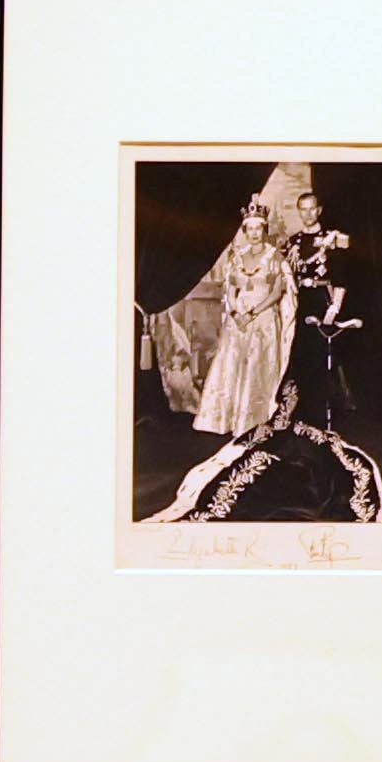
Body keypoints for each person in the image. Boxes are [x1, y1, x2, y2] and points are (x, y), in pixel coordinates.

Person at [144, 161, 318, 521]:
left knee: (256, 368)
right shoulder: (238, 255)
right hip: (239, 320)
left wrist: (255, 312)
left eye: (258, 229)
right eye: (249, 229)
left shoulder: (273, 255)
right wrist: (237, 311)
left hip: (263, 319)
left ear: (264, 229)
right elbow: (231, 288)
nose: (254, 234)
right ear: (245, 229)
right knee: (232, 367)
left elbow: (276, 290)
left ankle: (252, 419)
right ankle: (224, 417)